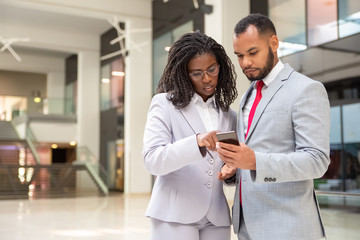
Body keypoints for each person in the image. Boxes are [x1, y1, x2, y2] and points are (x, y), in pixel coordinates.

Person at [217, 13, 330, 240]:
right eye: (239, 55)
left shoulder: (306, 89)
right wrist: (236, 168)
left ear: (274, 43)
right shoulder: (248, 95)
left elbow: (317, 161)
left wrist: (255, 162)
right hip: (247, 225)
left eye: (252, 53)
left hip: (288, 227)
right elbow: (255, 151)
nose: (245, 63)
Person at [142, 30, 238, 240]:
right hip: (174, 214)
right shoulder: (164, 104)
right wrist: (196, 142)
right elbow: (152, 160)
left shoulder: (229, 114)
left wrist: (231, 171)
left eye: (212, 69)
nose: (207, 79)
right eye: (196, 73)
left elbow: (228, 162)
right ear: (183, 74)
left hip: (217, 217)